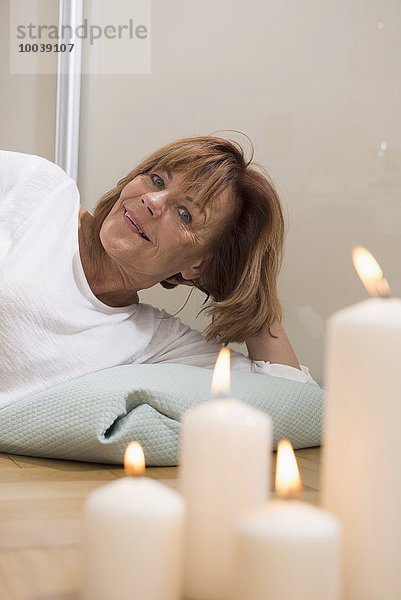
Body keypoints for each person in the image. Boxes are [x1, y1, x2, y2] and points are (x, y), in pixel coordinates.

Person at [0, 135, 318, 409]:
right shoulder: (41, 189)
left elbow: (293, 399)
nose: (152, 200)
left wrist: (246, 288)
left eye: (184, 214)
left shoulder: (153, 339)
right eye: (157, 180)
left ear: (198, 266)